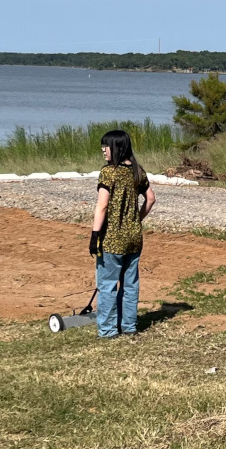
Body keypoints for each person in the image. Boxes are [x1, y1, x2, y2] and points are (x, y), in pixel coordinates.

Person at [89, 130, 156, 337]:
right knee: (130, 283)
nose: (103, 150)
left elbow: (102, 205)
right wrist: (136, 219)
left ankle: (108, 330)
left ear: (116, 147)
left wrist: (94, 235)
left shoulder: (109, 172)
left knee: (107, 284)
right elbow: (151, 199)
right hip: (134, 238)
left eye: (106, 146)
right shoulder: (137, 171)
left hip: (111, 239)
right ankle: (129, 326)